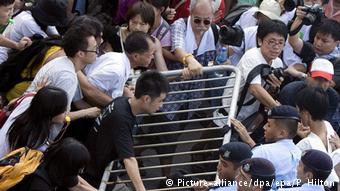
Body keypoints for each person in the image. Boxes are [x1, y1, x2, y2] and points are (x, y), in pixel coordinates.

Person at [83, 71, 169, 190]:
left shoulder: (121, 102)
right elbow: (129, 159)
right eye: (160, 101)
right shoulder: (121, 119)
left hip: (102, 168)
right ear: (146, 99)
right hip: (96, 175)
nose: (161, 106)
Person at [215, 19, 287, 126]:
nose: (276, 47)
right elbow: (255, 89)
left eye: (280, 43)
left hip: (249, 115)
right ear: (260, 41)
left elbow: (267, 93)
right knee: (213, 138)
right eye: (271, 42)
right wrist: (280, 111)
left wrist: (274, 88)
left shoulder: (278, 63)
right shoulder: (252, 56)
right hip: (229, 111)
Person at [25, 24, 100, 121]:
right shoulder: (67, 76)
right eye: (94, 49)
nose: (97, 52)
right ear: (80, 54)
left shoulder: (62, 62)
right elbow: (56, 117)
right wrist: (86, 113)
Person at [78, 31, 156, 107]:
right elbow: (90, 91)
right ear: (136, 56)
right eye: (151, 54)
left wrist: (123, 90)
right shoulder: (116, 70)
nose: (153, 57)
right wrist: (117, 106)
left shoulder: (117, 58)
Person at [231, 105, 302, 188]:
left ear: (281, 133)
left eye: (269, 125)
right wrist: (249, 140)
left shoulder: (263, 151)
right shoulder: (300, 154)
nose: (264, 127)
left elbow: (239, 180)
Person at [0, 86, 68, 158]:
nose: (66, 113)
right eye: (63, 111)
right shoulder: (35, 139)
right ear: (51, 112)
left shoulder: (28, 100)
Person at [9, 137, 97, 191]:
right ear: (68, 167)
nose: (81, 172)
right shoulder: (39, 185)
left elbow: (76, 185)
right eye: (78, 168)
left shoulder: (52, 163)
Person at [279, 58, 339, 131]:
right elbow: (286, 122)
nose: (321, 84)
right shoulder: (290, 91)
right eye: (317, 79)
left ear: (330, 83)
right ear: (308, 76)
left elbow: (324, 124)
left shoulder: (333, 97)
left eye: (325, 80)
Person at [0, 0, 68, 63]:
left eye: (12, 8)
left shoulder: (31, 15)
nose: (11, 13)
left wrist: (17, 45)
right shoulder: (27, 22)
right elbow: (49, 42)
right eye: (8, 9)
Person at [295, 87, 339, 184]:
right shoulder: (328, 126)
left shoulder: (305, 145)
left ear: (306, 114)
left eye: (299, 111)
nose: (299, 115)